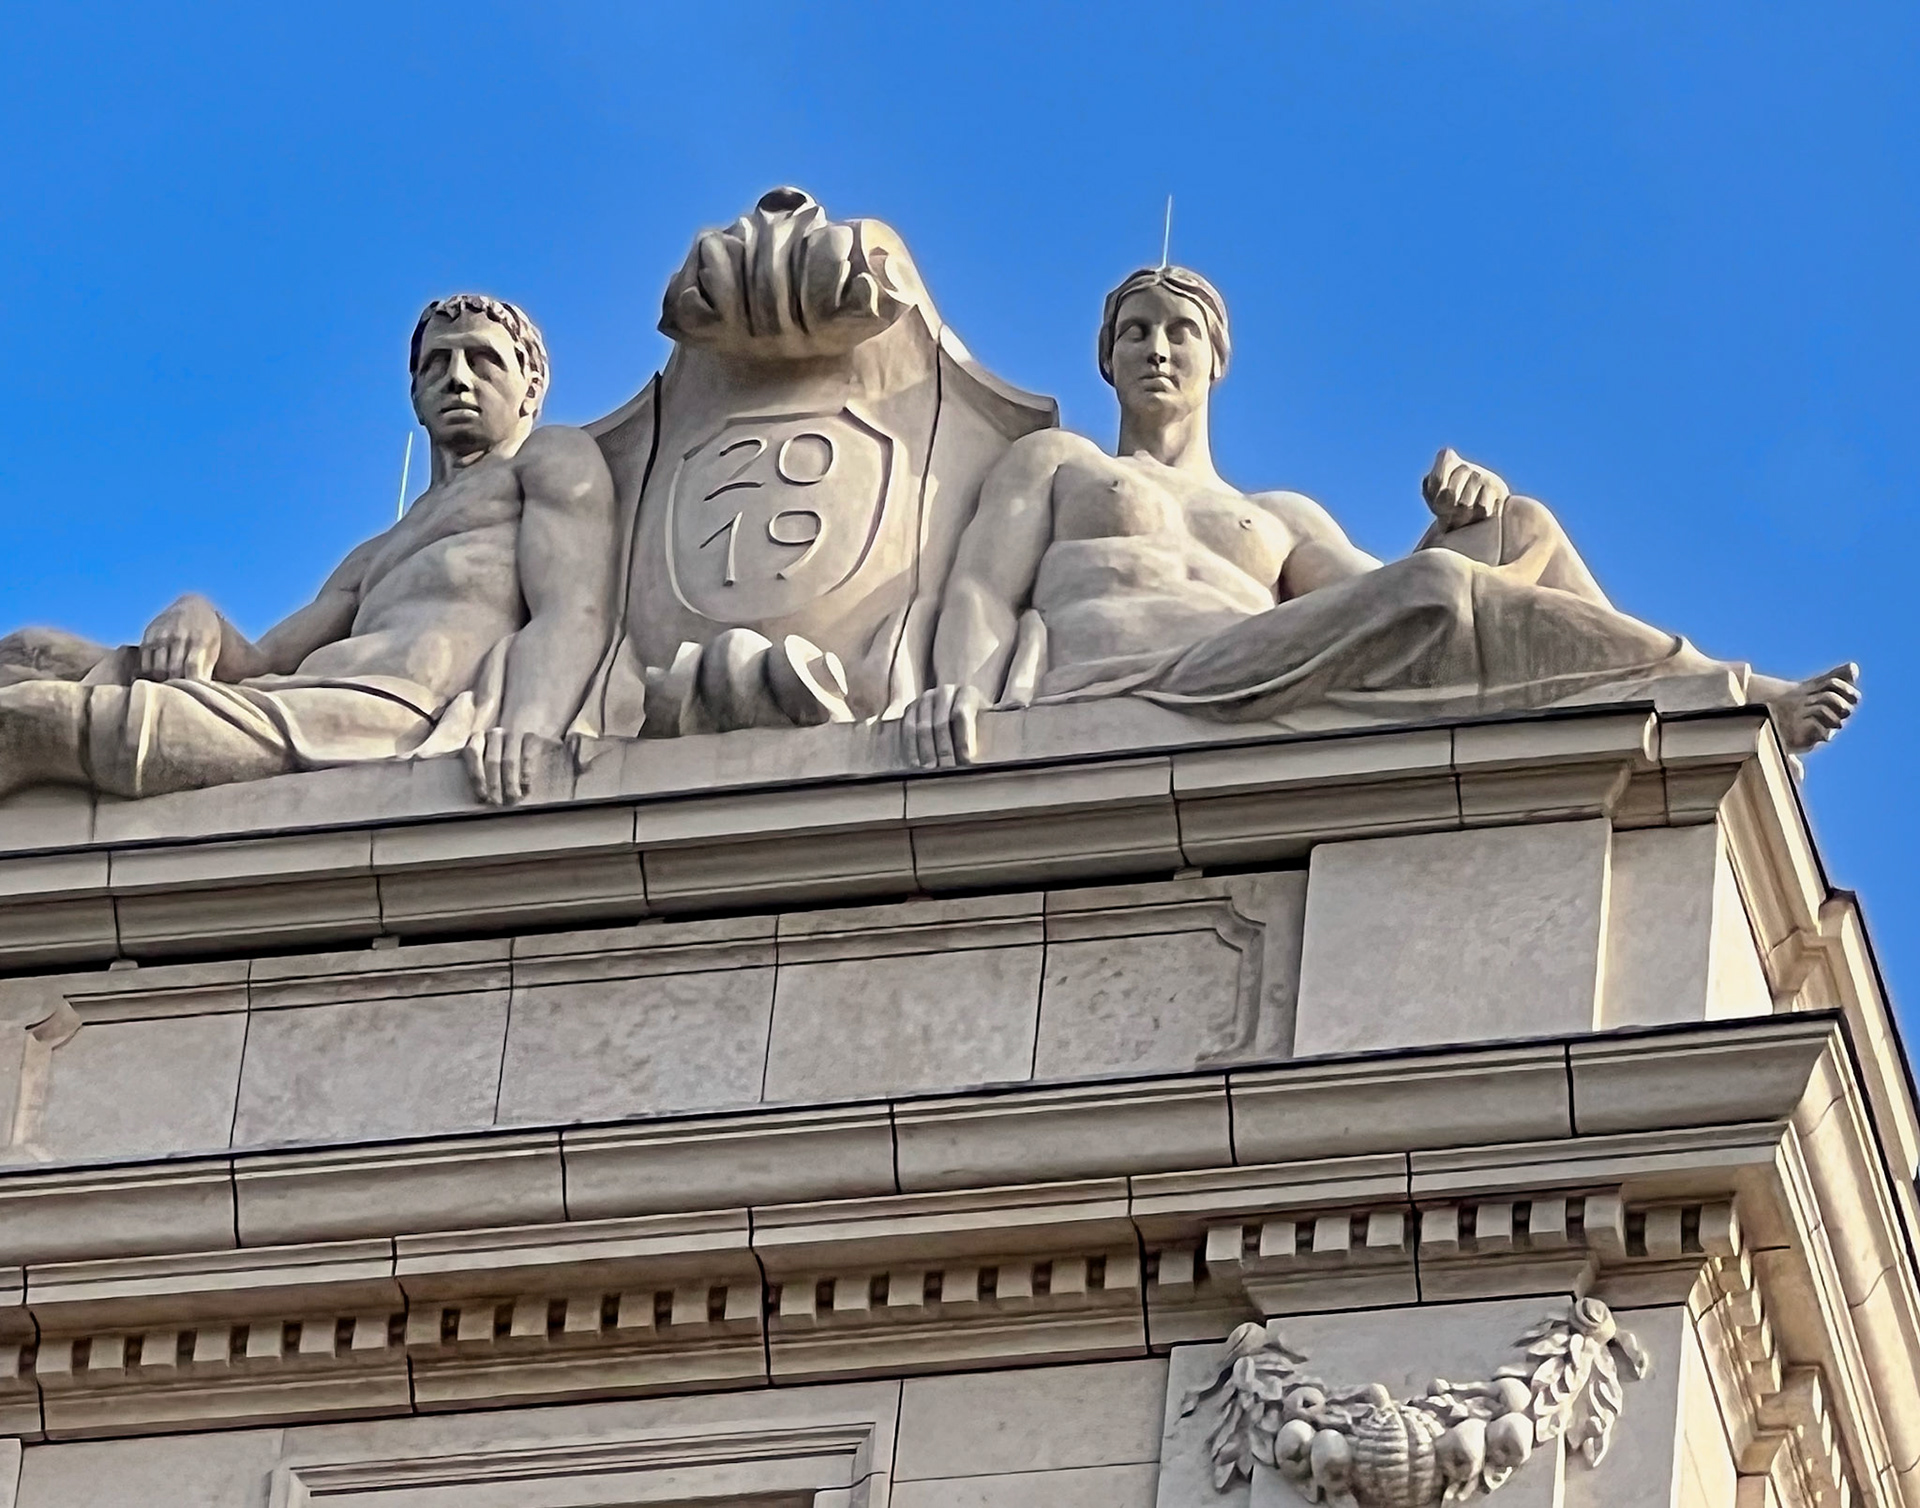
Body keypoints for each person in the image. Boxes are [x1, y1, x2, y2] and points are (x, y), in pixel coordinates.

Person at [900, 265, 1858, 767]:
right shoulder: (1059, 463)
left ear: (1215, 361)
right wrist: (962, 693)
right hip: (1127, 676)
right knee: (1439, 583)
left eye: (1179, 330)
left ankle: (1672, 693)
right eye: (1134, 332)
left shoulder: (1276, 515)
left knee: (1516, 530)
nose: (1157, 348)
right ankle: (1722, 693)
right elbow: (981, 587)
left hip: (1252, 665)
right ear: (1106, 359)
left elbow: (1375, 595)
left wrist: (1465, 516)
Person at [0, 294, 617, 806]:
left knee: (30, 719)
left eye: (483, 360)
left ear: (531, 386)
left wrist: (529, 726)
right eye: (437, 364)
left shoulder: (549, 459)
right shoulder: (374, 554)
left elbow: (573, 610)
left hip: (390, 718)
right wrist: (200, 615)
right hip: (300, 699)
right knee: (29, 651)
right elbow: (262, 659)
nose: (456, 378)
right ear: (415, 395)